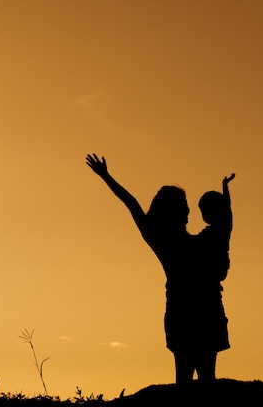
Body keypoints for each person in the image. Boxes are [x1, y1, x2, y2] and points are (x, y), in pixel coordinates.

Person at [86, 153, 211, 387]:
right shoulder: (160, 237)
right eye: (184, 206)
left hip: (198, 309)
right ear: (172, 211)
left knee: (199, 374)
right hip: (185, 309)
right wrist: (106, 177)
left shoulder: (192, 241)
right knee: (188, 374)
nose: (188, 212)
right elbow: (131, 202)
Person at [188, 173, 235, 384]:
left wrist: (225, 189)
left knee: (205, 359)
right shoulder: (212, 234)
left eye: (205, 211)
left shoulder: (219, 231)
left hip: (208, 297)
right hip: (204, 297)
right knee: (201, 357)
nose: (204, 215)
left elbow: (228, 211)